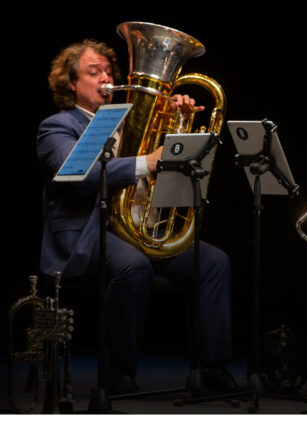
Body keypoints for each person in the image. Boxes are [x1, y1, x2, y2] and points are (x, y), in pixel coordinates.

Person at [36, 39, 238, 395]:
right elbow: (76, 175)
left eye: (108, 71)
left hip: (141, 229)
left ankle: (213, 369)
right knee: (132, 266)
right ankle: (118, 372)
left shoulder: (134, 120)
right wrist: (147, 161)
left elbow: (173, 166)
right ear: (71, 83)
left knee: (213, 262)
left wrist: (179, 122)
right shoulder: (57, 126)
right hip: (89, 234)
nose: (106, 78)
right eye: (93, 72)